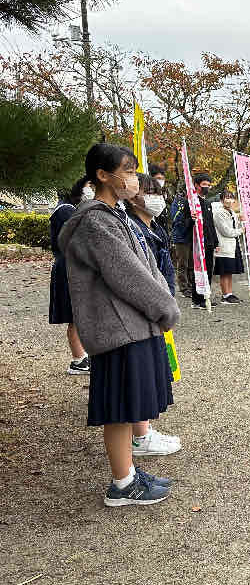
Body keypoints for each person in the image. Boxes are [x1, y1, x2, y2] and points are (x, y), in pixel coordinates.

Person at [59, 143, 180, 506]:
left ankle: (127, 472)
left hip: (131, 325)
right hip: (118, 330)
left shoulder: (115, 215)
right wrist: (166, 308)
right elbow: (129, 276)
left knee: (128, 405)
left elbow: (147, 267)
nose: (133, 179)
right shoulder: (96, 220)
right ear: (102, 174)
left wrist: (162, 304)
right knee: (119, 408)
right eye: (127, 171)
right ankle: (122, 483)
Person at [125, 172, 183, 458]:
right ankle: (140, 435)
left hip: (158, 310)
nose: (156, 198)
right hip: (147, 312)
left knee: (156, 372)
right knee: (142, 376)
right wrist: (162, 309)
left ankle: (144, 431)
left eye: (159, 192)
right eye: (150, 191)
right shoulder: (132, 230)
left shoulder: (153, 227)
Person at [49, 178, 93, 375]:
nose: (90, 190)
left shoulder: (69, 208)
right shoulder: (66, 210)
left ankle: (82, 355)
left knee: (79, 314)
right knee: (74, 314)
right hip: (69, 266)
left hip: (72, 265)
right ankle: (78, 359)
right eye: (87, 186)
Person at [186, 172, 219, 309]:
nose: (206, 187)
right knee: (199, 270)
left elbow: (211, 224)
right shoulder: (191, 202)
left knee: (209, 269)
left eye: (208, 185)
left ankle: (206, 296)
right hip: (198, 241)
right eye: (204, 184)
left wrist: (216, 242)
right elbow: (184, 223)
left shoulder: (206, 202)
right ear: (196, 185)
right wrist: (191, 219)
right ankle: (197, 299)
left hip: (209, 242)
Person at [213, 190, 246, 305]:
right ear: (221, 200)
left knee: (229, 271)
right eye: (226, 197)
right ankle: (225, 295)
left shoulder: (231, 212)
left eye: (231, 197)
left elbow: (235, 226)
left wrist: (240, 220)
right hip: (224, 245)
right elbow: (226, 231)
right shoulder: (219, 213)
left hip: (232, 245)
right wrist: (241, 231)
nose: (229, 200)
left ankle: (230, 293)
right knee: (224, 271)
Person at [170, 187, 192, 297]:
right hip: (181, 237)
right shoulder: (178, 202)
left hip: (191, 237)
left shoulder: (194, 200)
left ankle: (192, 286)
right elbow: (175, 219)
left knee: (191, 264)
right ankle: (184, 288)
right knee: (183, 263)